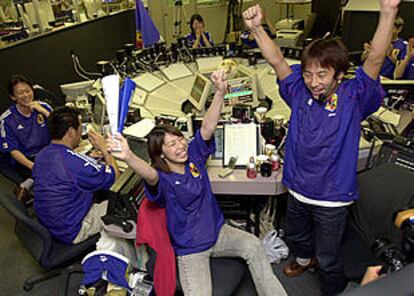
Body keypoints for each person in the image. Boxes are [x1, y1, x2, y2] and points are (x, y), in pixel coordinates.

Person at [243, 1, 400, 295]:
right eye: (308, 74)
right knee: (297, 236)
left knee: (328, 258)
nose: (314, 83)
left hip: (332, 198)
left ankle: (335, 289)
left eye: (322, 75)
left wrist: (388, 11)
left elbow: (376, 60)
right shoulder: (298, 91)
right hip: (298, 188)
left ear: (339, 74)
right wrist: (256, 29)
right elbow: (277, 61)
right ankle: (304, 259)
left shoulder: (354, 97)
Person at [108, 70, 287, 296]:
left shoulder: (193, 155)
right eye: (171, 145)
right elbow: (150, 176)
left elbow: (207, 128)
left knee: (253, 246)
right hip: (191, 249)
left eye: (179, 139)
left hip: (218, 233)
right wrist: (129, 157)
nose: (180, 146)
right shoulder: (163, 179)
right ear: (160, 154)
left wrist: (220, 92)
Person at [32, 107, 120, 246]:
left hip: (50, 222)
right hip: (72, 229)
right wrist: (104, 148)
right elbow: (115, 179)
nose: (82, 131)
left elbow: (67, 168)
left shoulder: (42, 155)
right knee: (121, 204)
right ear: (71, 132)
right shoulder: (73, 164)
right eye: (80, 127)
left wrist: (87, 159)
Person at [0, 75, 52, 200]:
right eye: (20, 93)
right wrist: (32, 166)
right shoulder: (7, 119)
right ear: (13, 97)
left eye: (28, 91)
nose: (26, 95)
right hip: (26, 159)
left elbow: (61, 127)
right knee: (52, 173)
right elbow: (13, 151)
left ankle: (27, 184)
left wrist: (44, 112)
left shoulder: (43, 107)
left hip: (48, 153)